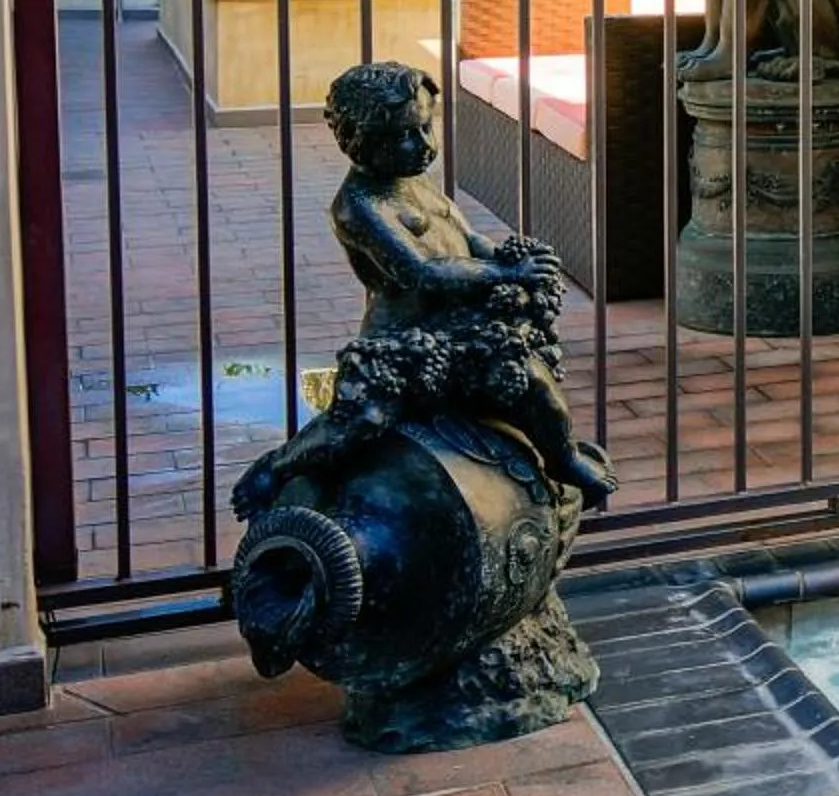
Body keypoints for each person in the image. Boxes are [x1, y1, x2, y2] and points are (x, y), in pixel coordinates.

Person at [234, 63, 617, 516]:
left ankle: (561, 455)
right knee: (360, 420)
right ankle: (277, 467)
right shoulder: (359, 205)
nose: (424, 145)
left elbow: (468, 238)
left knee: (533, 380)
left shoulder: (415, 181)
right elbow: (422, 272)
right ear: (358, 140)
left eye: (425, 127)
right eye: (402, 136)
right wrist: (505, 274)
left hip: (456, 322)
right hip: (407, 340)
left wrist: (507, 258)